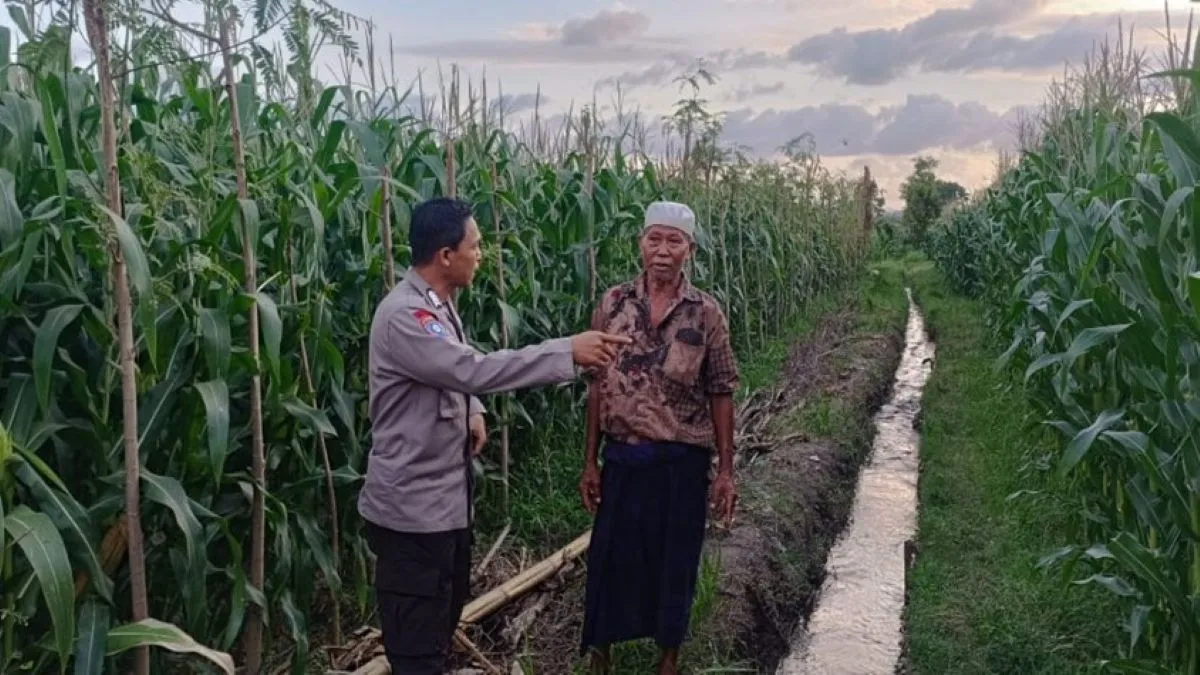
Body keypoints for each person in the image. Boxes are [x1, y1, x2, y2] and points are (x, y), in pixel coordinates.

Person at [357, 196, 631, 674]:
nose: (480, 254)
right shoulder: (406, 314)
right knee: (417, 650)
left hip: (442, 511)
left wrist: (472, 409)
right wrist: (567, 351)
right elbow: (467, 367)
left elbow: (447, 365)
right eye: (475, 245)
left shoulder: (434, 306)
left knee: (439, 630)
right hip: (412, 518)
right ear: (446, 256)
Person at [578, 200, 739, 675]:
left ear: (689, 248)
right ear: (641, 244)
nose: (663, 251)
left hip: (680, 465)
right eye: (655, 239)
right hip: (623, 460)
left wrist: (726, 471)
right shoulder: (612, 304)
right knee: (610, 561)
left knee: (675, 564)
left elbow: (721, 390)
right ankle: (601, 656)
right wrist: (590, 461)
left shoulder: (705, 313)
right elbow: (595, 385)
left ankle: (667, 660)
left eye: (674, 241)